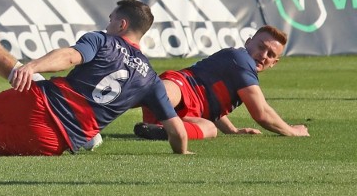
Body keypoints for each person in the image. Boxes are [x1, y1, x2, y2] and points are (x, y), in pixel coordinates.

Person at [0, 0, 191, 158]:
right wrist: (183, 152)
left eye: (110, 20)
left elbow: (69, 56)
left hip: (36, 97)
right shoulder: (150, 79)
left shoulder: (102, 41)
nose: (107, 24)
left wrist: (32, 66)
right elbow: (177, 131)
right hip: (53, 135)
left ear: (121, 24)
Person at [133, 25, 310, 141]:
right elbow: (261, 113)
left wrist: (232, 130)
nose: (264, 55)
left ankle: (164, 131)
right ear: (248, 43)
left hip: (186, 114)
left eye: (271, 54)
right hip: (182, 87)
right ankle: (107, 111)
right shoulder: (240, 58)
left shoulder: (243, 71)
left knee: (209, 128)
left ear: (274, 63)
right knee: (161, 92)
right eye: (261, 47)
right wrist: (292, 131)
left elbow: (213, 103)